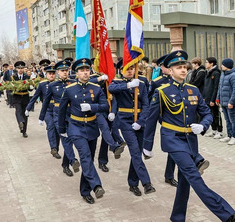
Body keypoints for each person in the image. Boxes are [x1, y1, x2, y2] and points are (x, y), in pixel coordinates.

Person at [143, 50, 235, 222]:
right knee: (195, 178)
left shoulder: (193, 90)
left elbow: (207, 113)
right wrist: (147, 146)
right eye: (178, 67)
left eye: (184, 67)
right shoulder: (161, 91)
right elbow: (151, 120)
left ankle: (177, 219)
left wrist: (203, 125)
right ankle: (228, 216)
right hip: (173, 140)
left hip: (190, 142)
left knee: (185, 183)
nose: (183, 70)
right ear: (169, 70)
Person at [58, 58, 108, 204]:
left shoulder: (97, 88)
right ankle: (97, 185)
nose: (85, 73)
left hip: (92, 127)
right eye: (82, 70)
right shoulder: (69, 89)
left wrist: (93, 108)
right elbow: (61, 110)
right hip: (76, 127)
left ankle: (85, 191)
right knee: (85, 156)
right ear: (76, 73)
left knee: (89, 160)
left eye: (87, 70)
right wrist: (62, 129)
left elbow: (105, 106)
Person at [109, 60, 155, 196]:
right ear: (121, 70)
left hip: (139, 121)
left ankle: (133, 183)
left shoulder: (141, 84)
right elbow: (111, 89)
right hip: (125, 122)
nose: (129, 71)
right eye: (126, 69)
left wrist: (141, 121)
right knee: (135, 152)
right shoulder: (117, 82)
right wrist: (128, 85)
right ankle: (147, 183)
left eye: (131, 68)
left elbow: (146, 104)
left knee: (137, 154)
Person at [39, 60, 80, 176]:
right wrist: (41, 117)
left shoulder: (73, 82)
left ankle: (65, 165)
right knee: (65, 138)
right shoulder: (52, 85)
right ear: (58, 72)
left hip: (71, 114)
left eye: (66, 70)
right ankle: (73, 160)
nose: (65, 73)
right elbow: (46, 102)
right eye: (62, 71)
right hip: (58, 115)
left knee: (71, 139)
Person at [148, 55, 178, 187]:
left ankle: (170, 175)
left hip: (178, 119)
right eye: (167, 66)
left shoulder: (179, 81)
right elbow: (151, 102)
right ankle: (170, 175)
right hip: (165, 119)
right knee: (173, 147)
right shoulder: (157, 82)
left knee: (178, 148)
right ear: (162, 67)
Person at [25, 65, 60, 158]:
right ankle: (53, 148)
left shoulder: (59, 83)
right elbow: (35, 97)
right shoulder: (42, 84)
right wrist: (28, 108)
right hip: (47, 109)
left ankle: (56, 147)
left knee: (58, 129)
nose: (52, 75)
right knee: (51, 126)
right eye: (50, 74)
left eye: (53, 73)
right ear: (46, 74)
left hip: (58, 109)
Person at [217, 58, 235, 145]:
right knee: (227, 120)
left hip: (230, 103)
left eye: (223, 64)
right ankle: (229, 135)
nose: (221, 66)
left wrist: (231, 102)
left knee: (232, 120)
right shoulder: (222, 74)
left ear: (227, 66)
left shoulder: (234, 76)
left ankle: (234, 136)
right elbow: (220, 88)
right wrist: (218, 98)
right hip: (223, 102)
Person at [204, 57, 223, 139]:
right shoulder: (207, 72)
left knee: (216, 114)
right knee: (210, 114)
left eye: (206, 62)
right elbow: (206, 86)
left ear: (211, 63)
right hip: (207, 97)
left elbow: (216, 87)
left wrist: (213, 99)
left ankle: (219, 131)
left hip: (213, 98)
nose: (205, 64)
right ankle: (214, 129)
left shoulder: (216, 73)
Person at [12, 61, 31, 138]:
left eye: (22, 68)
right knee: (18, 111)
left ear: (24, 69)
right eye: (18, 68)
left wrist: (31, 86)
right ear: (16, 69)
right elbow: (10, 87)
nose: (20, 69)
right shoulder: (13, 77)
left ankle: (24, 131)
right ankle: (20, 122)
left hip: (25, 98)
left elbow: (29, 88)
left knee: (25, 114)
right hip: (17, 97)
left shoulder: (27, 77)